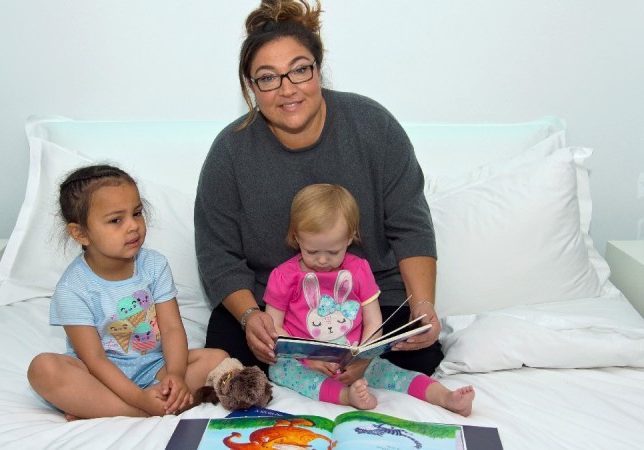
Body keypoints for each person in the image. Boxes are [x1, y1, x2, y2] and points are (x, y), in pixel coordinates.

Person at [195, 0, 443, 381]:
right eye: (268, 77)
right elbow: (217, 254)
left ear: (318, 69)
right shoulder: (229, 151)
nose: (286, 89)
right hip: (275, 309)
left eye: (299, 71)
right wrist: (250, 316)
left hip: (371, 300)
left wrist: (423, 305)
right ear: (251, 86)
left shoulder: (373, 125)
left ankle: (351, 371)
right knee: (227, 349)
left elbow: (410, 224)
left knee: (421, 356)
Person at [27, 164, 228, 420]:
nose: (133, 226)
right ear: (80, 233)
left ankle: (104, 408)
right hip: (100, 376)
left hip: (155, 368)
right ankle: (136, 410)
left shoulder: (154, 265)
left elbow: (172, 329)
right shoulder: (73, 288)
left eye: (137, 213)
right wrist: (140, 399)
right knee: (44, 369)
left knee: (217, 358)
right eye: (116, 220)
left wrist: (175, 376)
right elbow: (96, 360)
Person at [264, 184, 473, 414]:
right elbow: (274, 326)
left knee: (394, 373)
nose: (322, 260)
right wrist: (308, 358)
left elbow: (373, 321)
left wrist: (362, 356)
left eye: (333, 252)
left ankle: (444, 396)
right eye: (312, 252)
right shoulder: (284, 276)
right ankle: (346, 396)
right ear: (296, 238)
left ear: (350, 237)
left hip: (353, 359)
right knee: (280, 370)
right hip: (303, 360)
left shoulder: (358, 270)